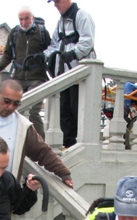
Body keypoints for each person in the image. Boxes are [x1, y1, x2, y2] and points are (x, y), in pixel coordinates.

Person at [0, 6, 51, 139]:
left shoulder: (42, 32)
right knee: (14, 108)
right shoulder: (15, 33)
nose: (24, 22)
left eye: (26, 18)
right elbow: (7, 54)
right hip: (19, 76)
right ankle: (16, 138)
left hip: (37, 76)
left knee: (32, 110)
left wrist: (43, 57)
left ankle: (39, 142)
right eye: (21, 19)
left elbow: (51, 51)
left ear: (32, 17)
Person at [44, 0, 96, 149]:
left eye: (57, 1)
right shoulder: (60, 22)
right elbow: (54, 45)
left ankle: (78, 145)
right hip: (63, 75)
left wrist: (72, 54)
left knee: (77, 110)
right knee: (63, 110)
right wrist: (44, 56)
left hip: (79, 76)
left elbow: (87, 42)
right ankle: (67, 144)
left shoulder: (82, 16)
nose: (55, 5)